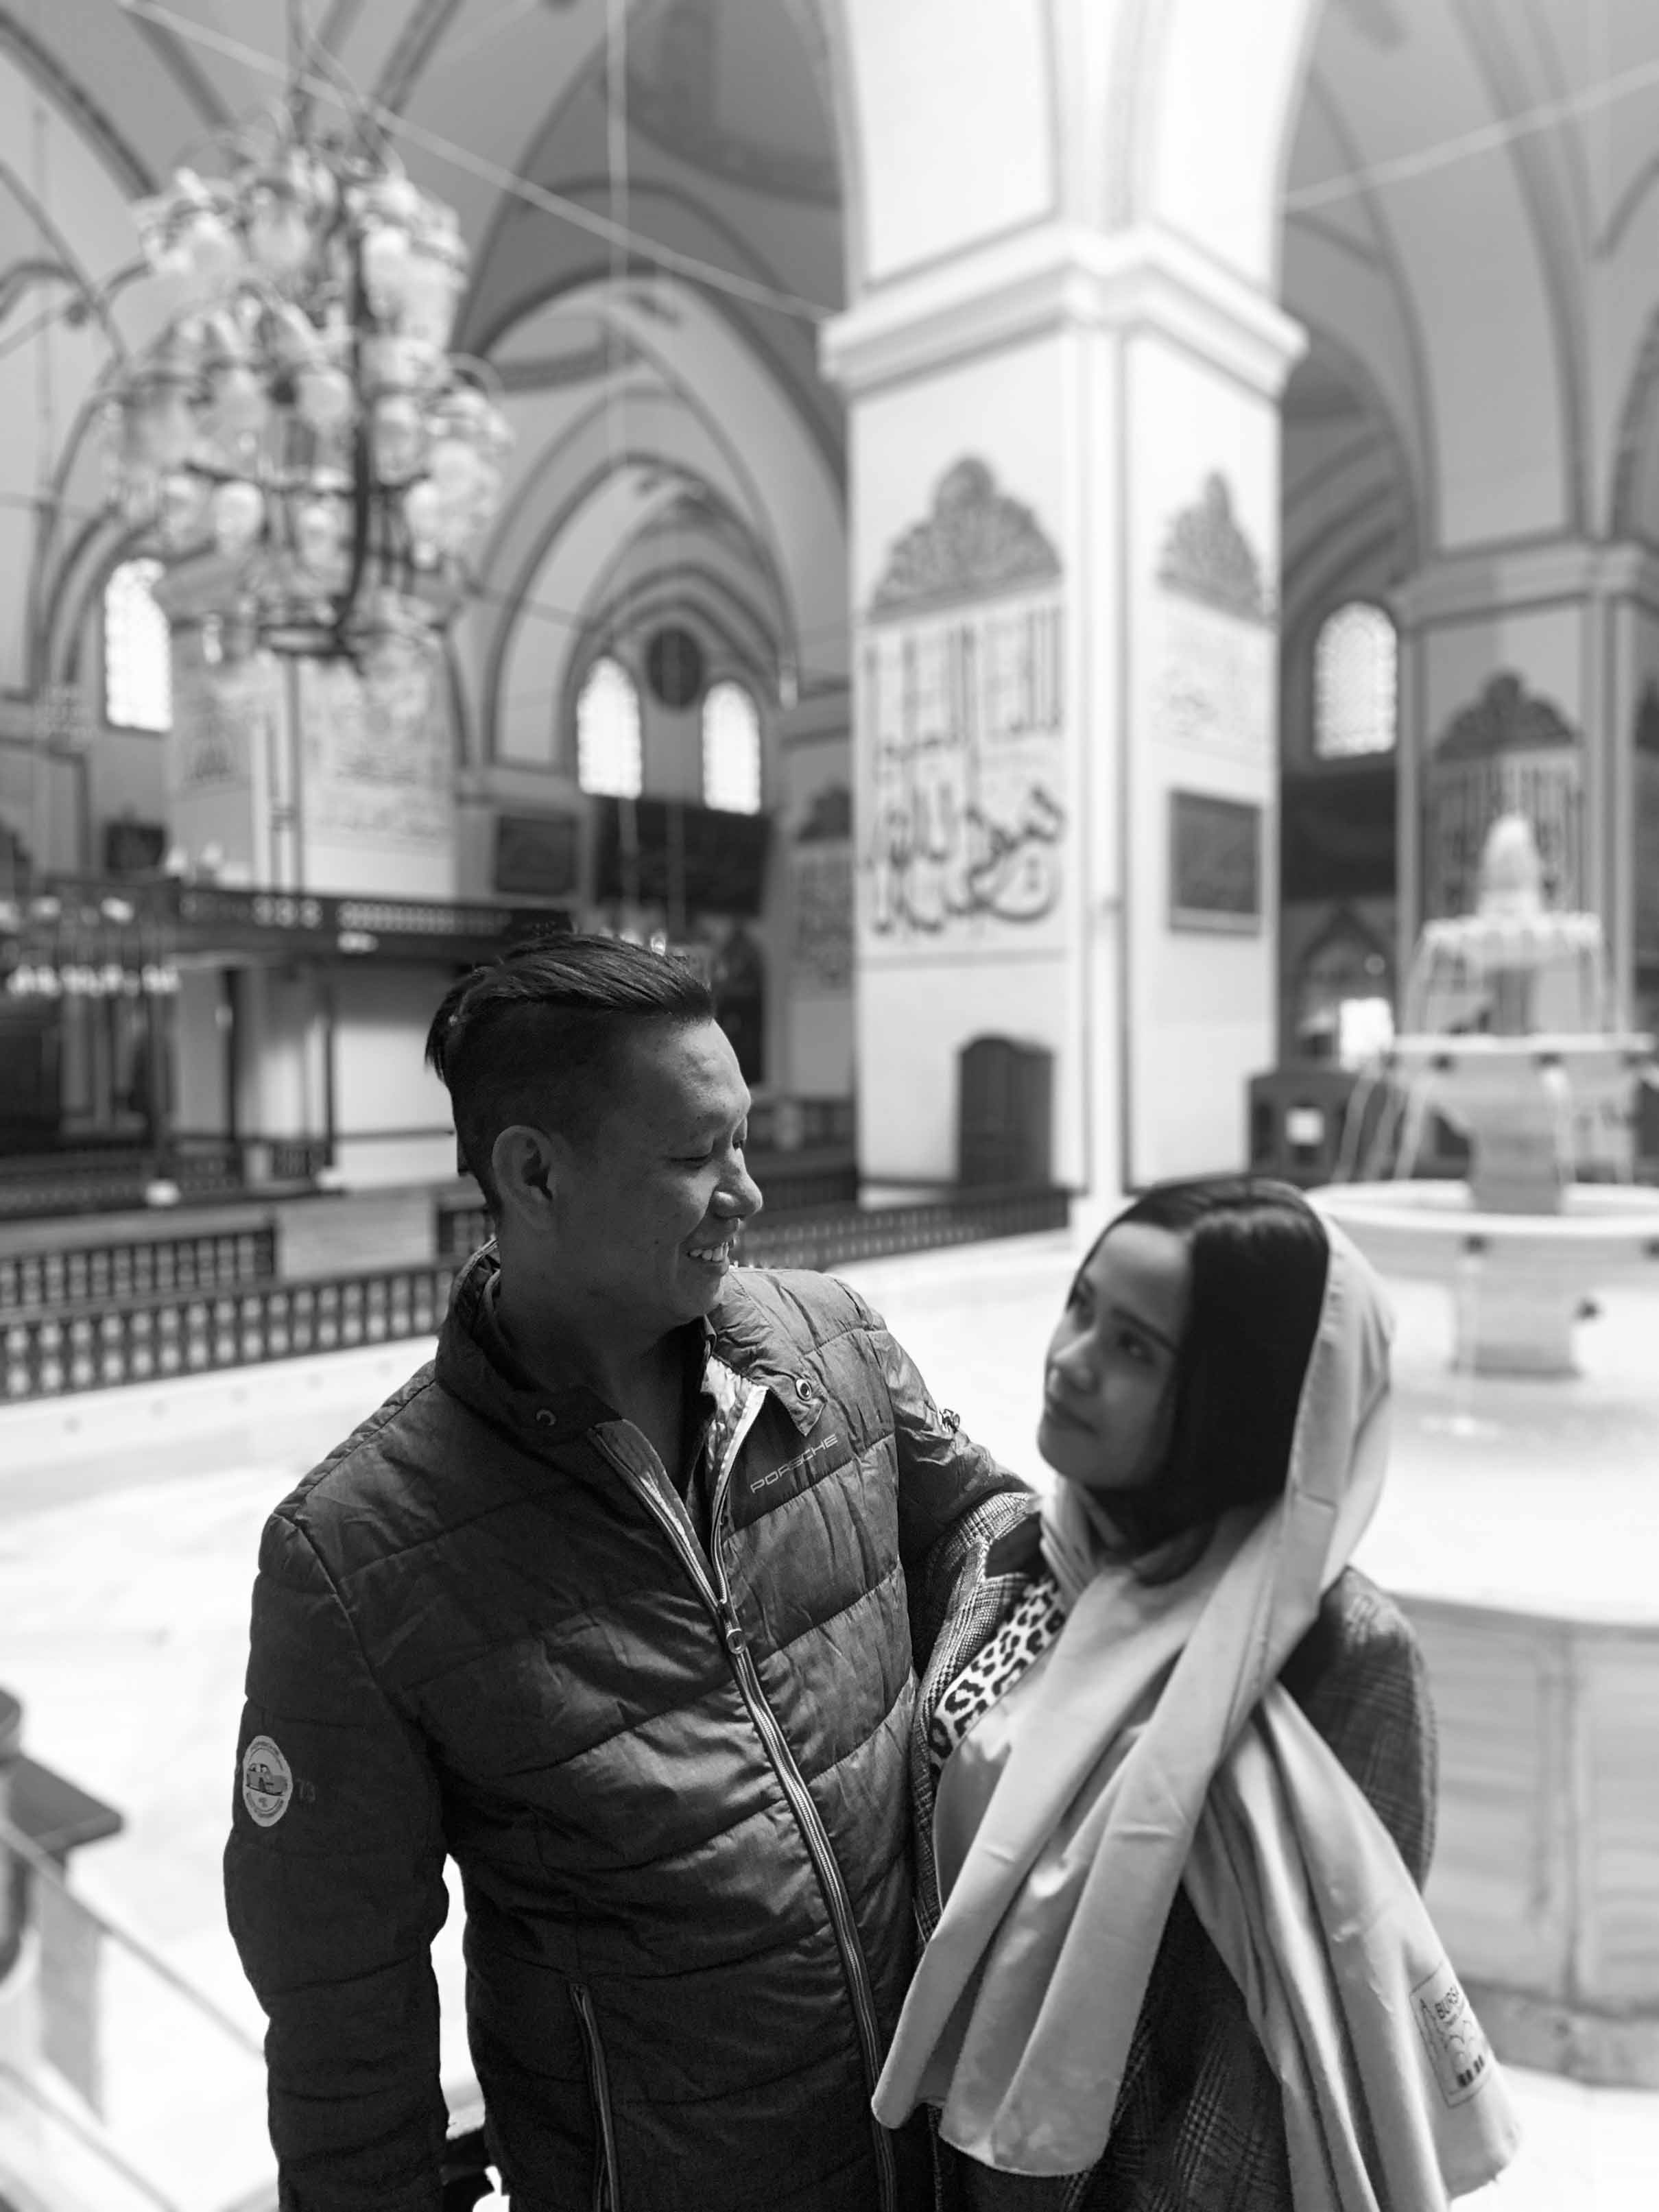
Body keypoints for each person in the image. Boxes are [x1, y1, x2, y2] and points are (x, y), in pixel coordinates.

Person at [223, 933, 1031, 2212]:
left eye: (743, 1140)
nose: (746, 1192)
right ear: (533, 1172)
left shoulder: (831, 1347)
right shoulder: (361, 1554)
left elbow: (990, 1527)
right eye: (695, 1156)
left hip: (941, 2163)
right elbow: (341, 2014)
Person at [874, 1176, 1522, 2211]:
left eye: (1136, 1348)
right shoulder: (1024, 1556)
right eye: (1081, 1305)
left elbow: (1299, 2036)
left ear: (1237, 1400)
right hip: (943, 2168)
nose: (1072, 1358)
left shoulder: (1336, 1651)